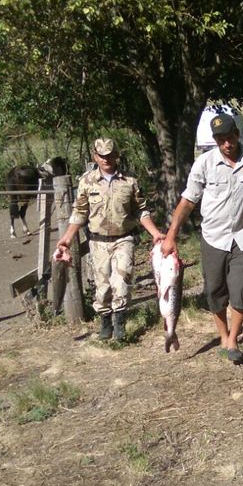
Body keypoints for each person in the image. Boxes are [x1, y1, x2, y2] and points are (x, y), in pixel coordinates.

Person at [161, 112, 243, 364]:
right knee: (214, 291)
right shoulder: (205, 163)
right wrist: (171, 235)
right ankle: (223, 335)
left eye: (229, 138)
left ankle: (233, 339)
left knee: (241, 288)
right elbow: (188, 201)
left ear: (237, 135)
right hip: (213, 238)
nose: (226, 144)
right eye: (220, 140)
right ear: (215, 140)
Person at [55, 137, 163, 340]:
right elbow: (79, 213)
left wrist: (155, 233)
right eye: (102, 156)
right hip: (98, 242)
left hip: (124, 239)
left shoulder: (129, 181)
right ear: (95, 156)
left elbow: (141, 210)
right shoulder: (87, 182)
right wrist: (67, 239)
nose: (106, 160)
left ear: (116, 155)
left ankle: (120, 325)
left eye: (110, 155)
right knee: (103, 287)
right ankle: (105, 323)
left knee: (121, 282)